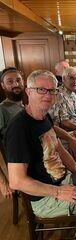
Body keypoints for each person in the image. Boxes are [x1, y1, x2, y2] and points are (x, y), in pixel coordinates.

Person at [5, 70, 76, 238]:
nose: (48, 95)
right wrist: (59, 192)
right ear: (28, 92)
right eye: (41, 90)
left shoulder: (44, 116)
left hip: (63, 179)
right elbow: (16, 181)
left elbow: (60, 150)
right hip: (44, 197)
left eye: (52, 90)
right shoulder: (19, 129)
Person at [0, 67, 24, 199]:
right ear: (2, 85)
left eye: (18, 80)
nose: (16, 84)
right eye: (10, 81)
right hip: (22, 167)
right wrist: (3, 182)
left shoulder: (23, 106)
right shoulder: (1, 110)